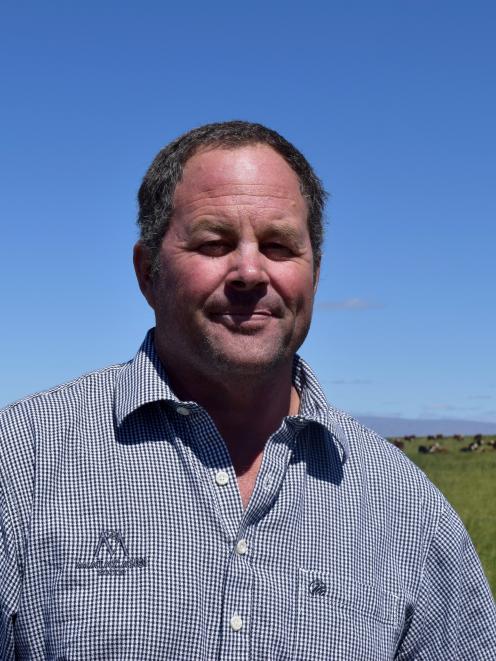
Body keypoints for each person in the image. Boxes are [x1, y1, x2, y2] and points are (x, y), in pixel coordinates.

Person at [0, 121, 494, 660]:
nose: (250, 271)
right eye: (214, 242)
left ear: (316, 274)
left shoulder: (407, 509)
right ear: (148, 273)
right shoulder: (22, 464)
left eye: (280, 246)